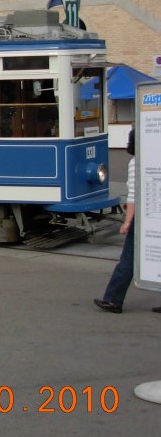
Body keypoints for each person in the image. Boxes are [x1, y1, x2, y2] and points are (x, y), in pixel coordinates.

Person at [95, 130, 156, 313]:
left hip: (144, 217)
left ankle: (113, 300)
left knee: (128, 259)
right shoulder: (155, 159)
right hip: (156, 215)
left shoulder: (136, 162)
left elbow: (133, 197)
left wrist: (127, 222)